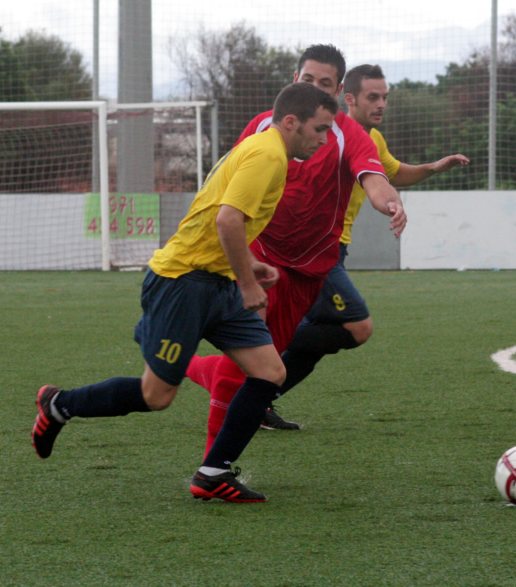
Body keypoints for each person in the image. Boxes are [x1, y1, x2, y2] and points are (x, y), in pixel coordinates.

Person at [31, 82, 339, 503]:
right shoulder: (267, 155)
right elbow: (227, 220)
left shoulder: (266, 151)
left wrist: (247, 266)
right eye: (320, 129)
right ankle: (59, 404)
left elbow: (219, 219)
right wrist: (249, 284)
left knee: (270, 373)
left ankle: (213, 472)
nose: (324, 140)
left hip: (217, 282)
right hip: (183, 282)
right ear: (291, 122)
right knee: (156, 396)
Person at [184, 45, 407, 455]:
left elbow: (374, 177)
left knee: (262, 364)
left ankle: (192, 368)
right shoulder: (263, 127)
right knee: (255, 358)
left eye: (325, 84)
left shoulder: (350, 135)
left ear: (337, 91)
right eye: (308, 80)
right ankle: (213, 467)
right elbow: (231, 183)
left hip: (309, 271)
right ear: (294, 79)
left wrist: (389, 201)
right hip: (262, 257)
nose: (315, 89)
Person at [264, 63, 470, 428]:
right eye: (373, 97)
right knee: (356, 326)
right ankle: (252, 347)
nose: (381, 104)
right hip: (312, 251)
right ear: (349, 98)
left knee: (320, 340)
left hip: (334, 250)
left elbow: (390, 174)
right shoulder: (317, 136)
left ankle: (257, 398)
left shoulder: (370, 139)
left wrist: (433, 168)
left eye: (385, 98)